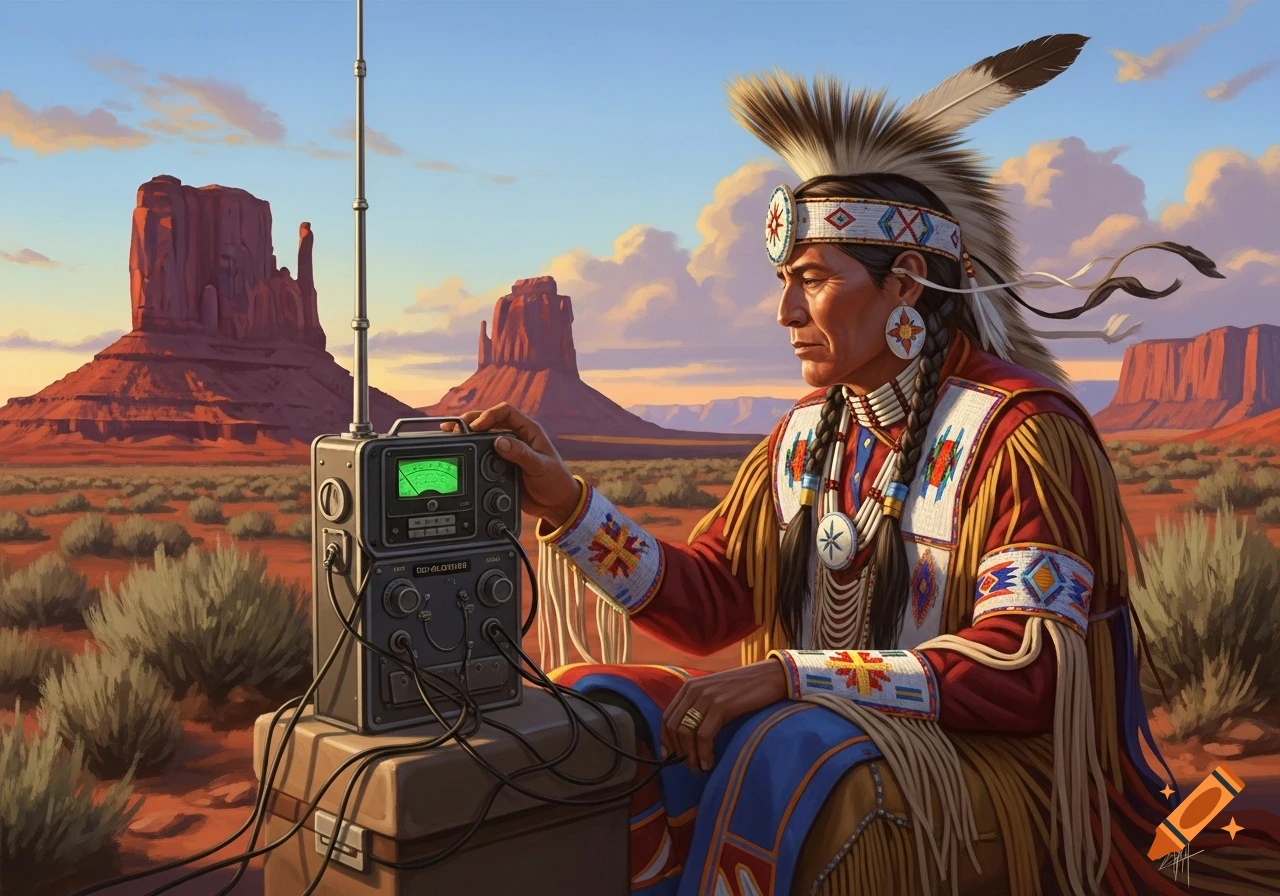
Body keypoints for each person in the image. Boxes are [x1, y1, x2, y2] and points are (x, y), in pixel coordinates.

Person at [452, 34, 1280, 896]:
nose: (784, 312)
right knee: (608, 710)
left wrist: (789, 676)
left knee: (793, 746)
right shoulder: (803, 438)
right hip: (832, 734)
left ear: (907, 282)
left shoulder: (1019, 437)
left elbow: (1026, 669)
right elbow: (712, 604)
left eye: (812, 278)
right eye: (785, 280)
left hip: (988, 771)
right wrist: (567, 503)